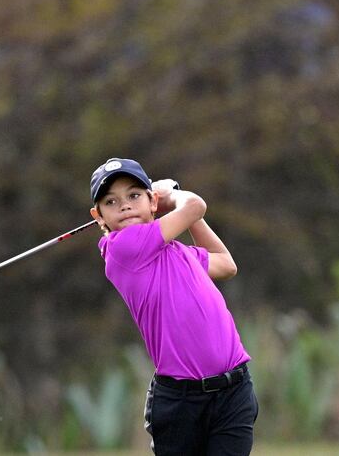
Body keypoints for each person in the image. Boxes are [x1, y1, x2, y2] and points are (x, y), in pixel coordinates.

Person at [89, 157, 258, 455]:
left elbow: (226, 264)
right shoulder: (122, 249)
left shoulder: (177, 253)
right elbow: (194, 205)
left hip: (233, 390)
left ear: (151, 202)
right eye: (111, 202)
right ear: (98, 215)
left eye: (133, 195)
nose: (125, 205)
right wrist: (172, 193)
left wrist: (176, 209)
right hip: (181, 403)